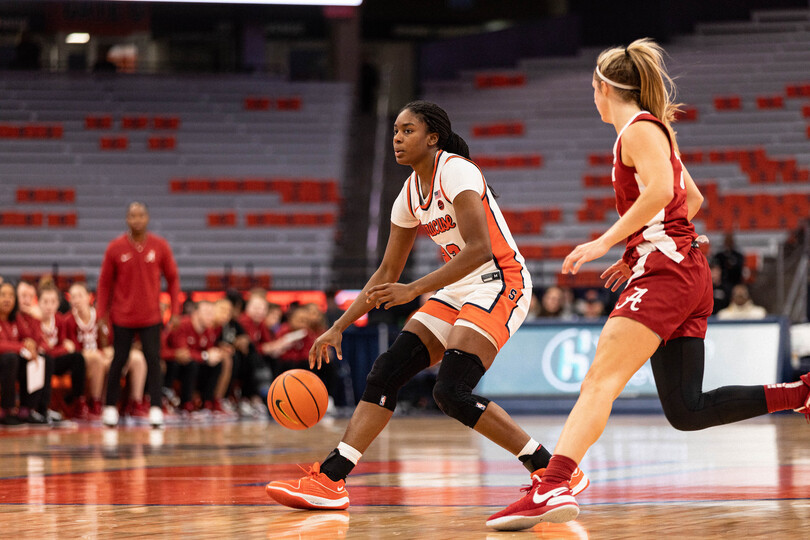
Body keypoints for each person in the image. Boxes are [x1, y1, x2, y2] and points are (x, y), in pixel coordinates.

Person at [487, 38, 810, 531]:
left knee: (600, 381)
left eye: (591, 90)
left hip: (668, 273)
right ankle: (801, 394)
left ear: (603, 89)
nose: (591, 99)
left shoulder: (636, 130)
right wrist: (637, 246)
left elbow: (663, 191)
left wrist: (606, 241)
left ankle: (553, 484)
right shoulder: (653, 132)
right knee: (686, 408)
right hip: (681, 269)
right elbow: (692, 199)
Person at [265, 100, 588, 510]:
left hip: (500, 279)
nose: (397, 138)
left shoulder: (456, 170)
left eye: (408, 131)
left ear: (432, 137)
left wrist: (411, 288)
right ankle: (331, 480)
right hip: (457, 288)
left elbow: (479, 250)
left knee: (451, 391)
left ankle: (552, 469)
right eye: (396, 131)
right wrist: (338, 326)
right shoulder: (409, 193)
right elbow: (385, 272)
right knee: (385, 373)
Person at [96, 202, 180, 428]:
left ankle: (155, 408)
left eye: (141, 215)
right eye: (133, 216)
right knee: (118, 361)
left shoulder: (160, 246)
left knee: (154, 361)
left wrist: (175, 310)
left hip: (151, 316)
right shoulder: (115, 247)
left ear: (147, 218)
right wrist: (100, 314)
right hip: (122, 316)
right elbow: (104, 283)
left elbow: (173, 279)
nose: (137, 219)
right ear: (127, 219)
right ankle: (110, 407)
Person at [64, 282, 148, 422]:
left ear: (89, 297)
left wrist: (112, 350)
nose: (76, 300)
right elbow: (72, 350)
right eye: (73, 297)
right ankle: (96, 403)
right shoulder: (67, 320)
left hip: (104, 354)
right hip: (86, 360)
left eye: (80, 296)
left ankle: (136, 402)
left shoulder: (102, 318)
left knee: (137, 358)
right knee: (97, 359)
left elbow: (112, 341)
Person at [37, 284, 88, 419]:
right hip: (40, 361)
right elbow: (45, 349)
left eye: (53, 302)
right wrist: (62, 349)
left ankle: (77, 400)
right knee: (45, 359)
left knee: (77, 358)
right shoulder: (35, 320)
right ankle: (40, 408)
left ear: (58, 304)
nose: (49, 306)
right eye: (45, 302)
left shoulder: (59, 320)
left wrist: (60, 349)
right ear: (38, 302)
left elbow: (68, 345)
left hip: (55, 360)